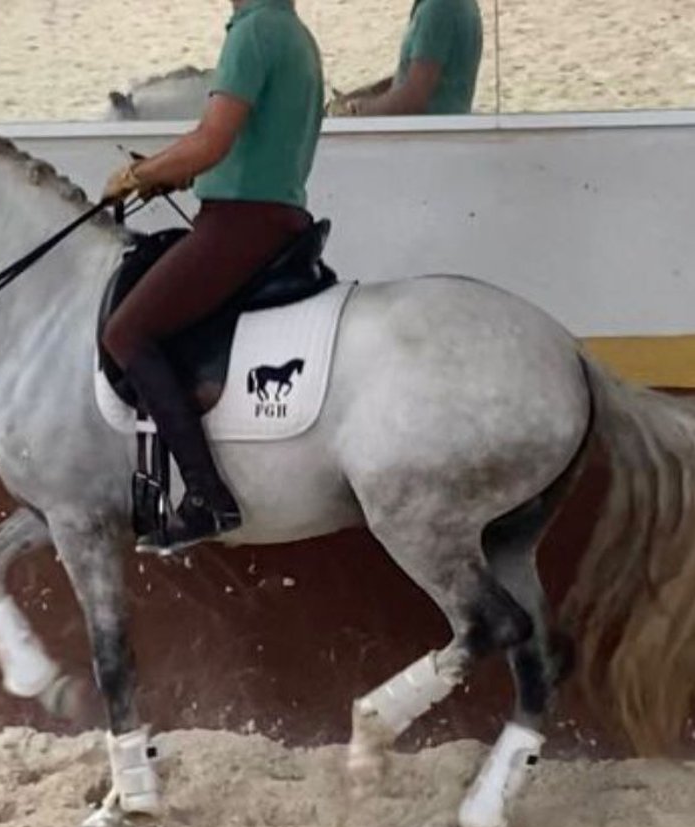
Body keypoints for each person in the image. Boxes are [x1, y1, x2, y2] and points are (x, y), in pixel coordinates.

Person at [101, 0, 324, 554]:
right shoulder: (292, 32)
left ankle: (207, 496)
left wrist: (135, 174)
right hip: (272, 214)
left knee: (126, 332)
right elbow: (237, 144)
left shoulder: (252, 33)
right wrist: (170, 175)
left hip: (241, 222)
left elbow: (211, 141)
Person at [335, 0, 482, 116]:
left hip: (427, 137)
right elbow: (432, 75)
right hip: (447, 132)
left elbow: (414, 99)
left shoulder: (438, 8)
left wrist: (360, 110)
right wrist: (369, 93)